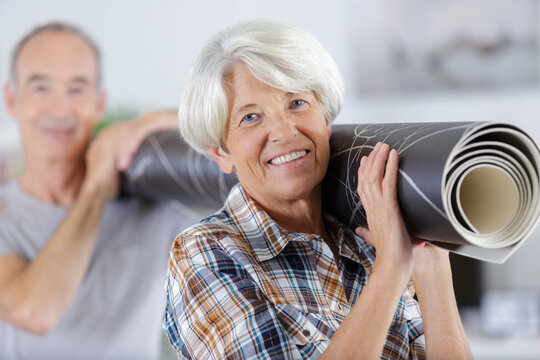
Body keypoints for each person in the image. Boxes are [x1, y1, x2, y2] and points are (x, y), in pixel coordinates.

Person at [163, 20, 473, 359]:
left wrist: (432, 268)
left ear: (326, 122)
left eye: (296, 103)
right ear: (222, 153)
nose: (284, 132)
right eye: (250, 117)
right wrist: (390, 269)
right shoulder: (205, 253)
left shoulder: (367, 240)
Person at [0, 22, 196, 359]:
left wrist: (151, 121)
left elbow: (241, 134)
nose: (60, 109)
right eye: (40, 87)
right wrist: (96, 187)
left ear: (99, 102)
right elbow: (35, 312)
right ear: (12, 100)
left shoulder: (156, 213)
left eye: (77, 89)